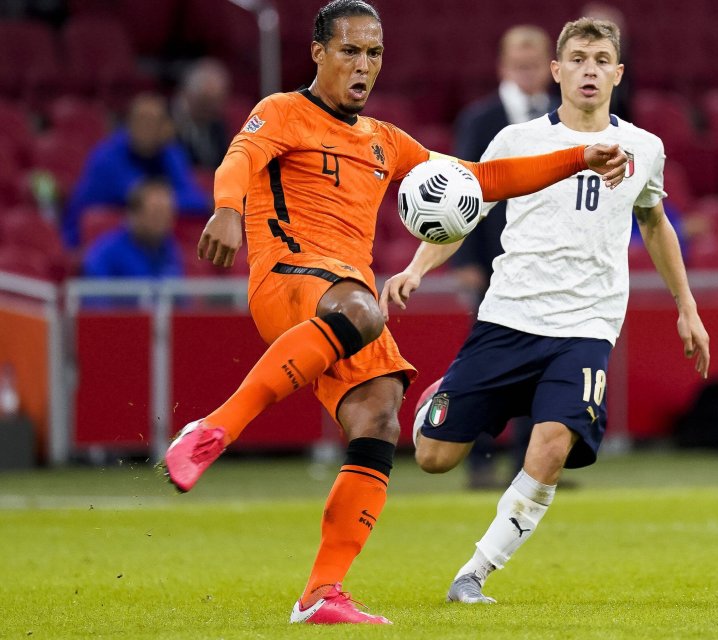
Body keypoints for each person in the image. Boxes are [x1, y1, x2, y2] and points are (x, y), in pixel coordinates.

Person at [159, 0, 627, 627]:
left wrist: (578, 156)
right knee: (364, 308)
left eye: (374, 53)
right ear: (318, 53)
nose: (363, 65)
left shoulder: (384, 140)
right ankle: (212, 428)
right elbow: (239, 161)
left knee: (378, 415)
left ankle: (320, 594)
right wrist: (225, 208)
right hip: (288, 278)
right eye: (350, 50)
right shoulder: (281, 112)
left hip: (341, 297)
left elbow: (481, 179)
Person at [379, 17, 709, 605]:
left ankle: (474, 574)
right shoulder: (516, 141)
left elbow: (654, 223)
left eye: (601, 59)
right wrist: (415, 269)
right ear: (556, 72)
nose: (589, 69)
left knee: (551, 445)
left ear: (617, 73)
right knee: (432, 457)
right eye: (578, 58)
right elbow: (464, 211)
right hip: (509, 316)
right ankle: (444, 399)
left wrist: (687, 306)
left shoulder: (643, 148)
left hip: (586, 326)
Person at [451, 24, 558, 489]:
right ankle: (478, 463)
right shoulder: (480, 119)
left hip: (550, 264)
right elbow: (460, 192)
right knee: (487, 367)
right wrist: (466, 261)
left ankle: (528, 469)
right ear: (503, 67)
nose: (527, 72)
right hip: (493, 264)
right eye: (520, 65)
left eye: (535, 64)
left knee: (544, 368)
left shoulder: (565, 117)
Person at [62, 93, 209, 247]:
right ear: (128, 124)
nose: (145, 128)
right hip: (86, 242)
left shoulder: (168, 152)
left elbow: (191, 193)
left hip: (135, 239)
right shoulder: (107, 157)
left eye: (153, 122)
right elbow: (146, 201)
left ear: (166, 127)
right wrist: (201, 203)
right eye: (140, 121)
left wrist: (206, 203)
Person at [81, 179, 183, 279]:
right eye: (156, 213)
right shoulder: (105, 254)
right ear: (134, 214)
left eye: (167, 213)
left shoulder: (169, 248)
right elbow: (94, 293)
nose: (163, 221)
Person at [173, 58, 232, 170]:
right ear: (189, 96)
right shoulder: (169, 123)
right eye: (205, 102)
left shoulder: (218, 124)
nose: (211, 109)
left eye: (216, 102)